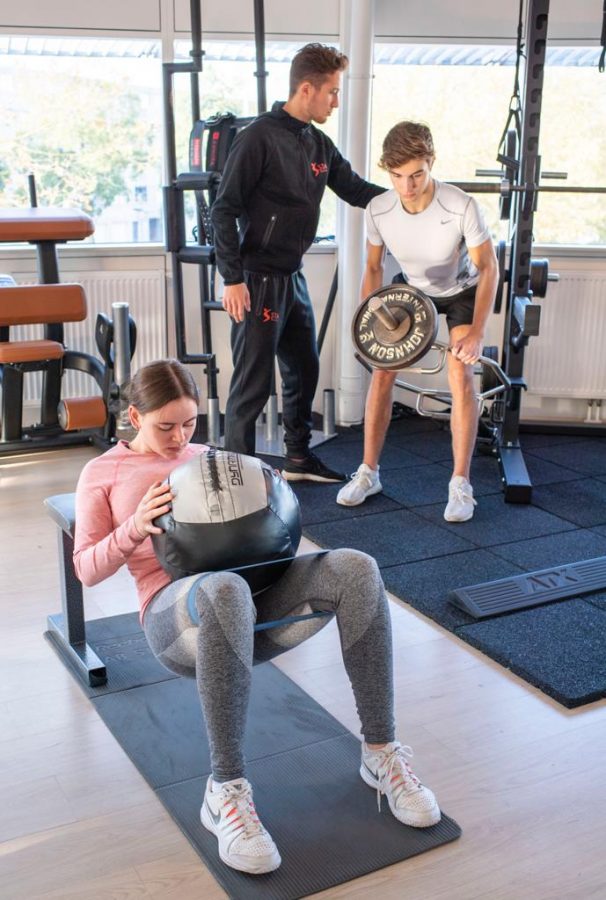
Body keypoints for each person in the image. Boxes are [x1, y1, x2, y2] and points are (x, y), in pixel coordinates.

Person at [73, 358, 441, 877]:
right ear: (134, 416)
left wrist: (272, 500)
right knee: (224, 589)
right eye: (165, 426)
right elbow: (87, 569)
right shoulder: (104, 472)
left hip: (254, 608)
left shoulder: (210, 459)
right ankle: (224, 791)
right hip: (177, 623)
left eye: (190, 423)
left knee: (356, 567)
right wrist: (134, 526)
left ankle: (381, 752)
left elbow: (268, 536)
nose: (180, 438)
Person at [211, 43, 385, 484]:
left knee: (304, 369)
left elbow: (356, 190)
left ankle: (298, 459)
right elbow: (223, 209)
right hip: (255, 279)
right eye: (332, 92)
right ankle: (236, 480)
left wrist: (409, 200)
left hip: (291, 277)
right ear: (306, 89)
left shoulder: (318, 143)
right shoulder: (258, 137)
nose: (336, 102)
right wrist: (232, 278)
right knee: (252, 384)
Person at [337, 121, 499, 522]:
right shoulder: (379, 209)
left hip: (461, 290)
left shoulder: (460, 205)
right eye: (397, 176)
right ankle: (368, 473)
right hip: (412, 289)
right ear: (387, 170)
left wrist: (478, 332)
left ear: (431, 163)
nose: (406, 187)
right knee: (382, 371)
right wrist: (369, 324)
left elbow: (489, 267)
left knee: (460, 372)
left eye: (416, 175)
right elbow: (373, 268)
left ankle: (461, 484)